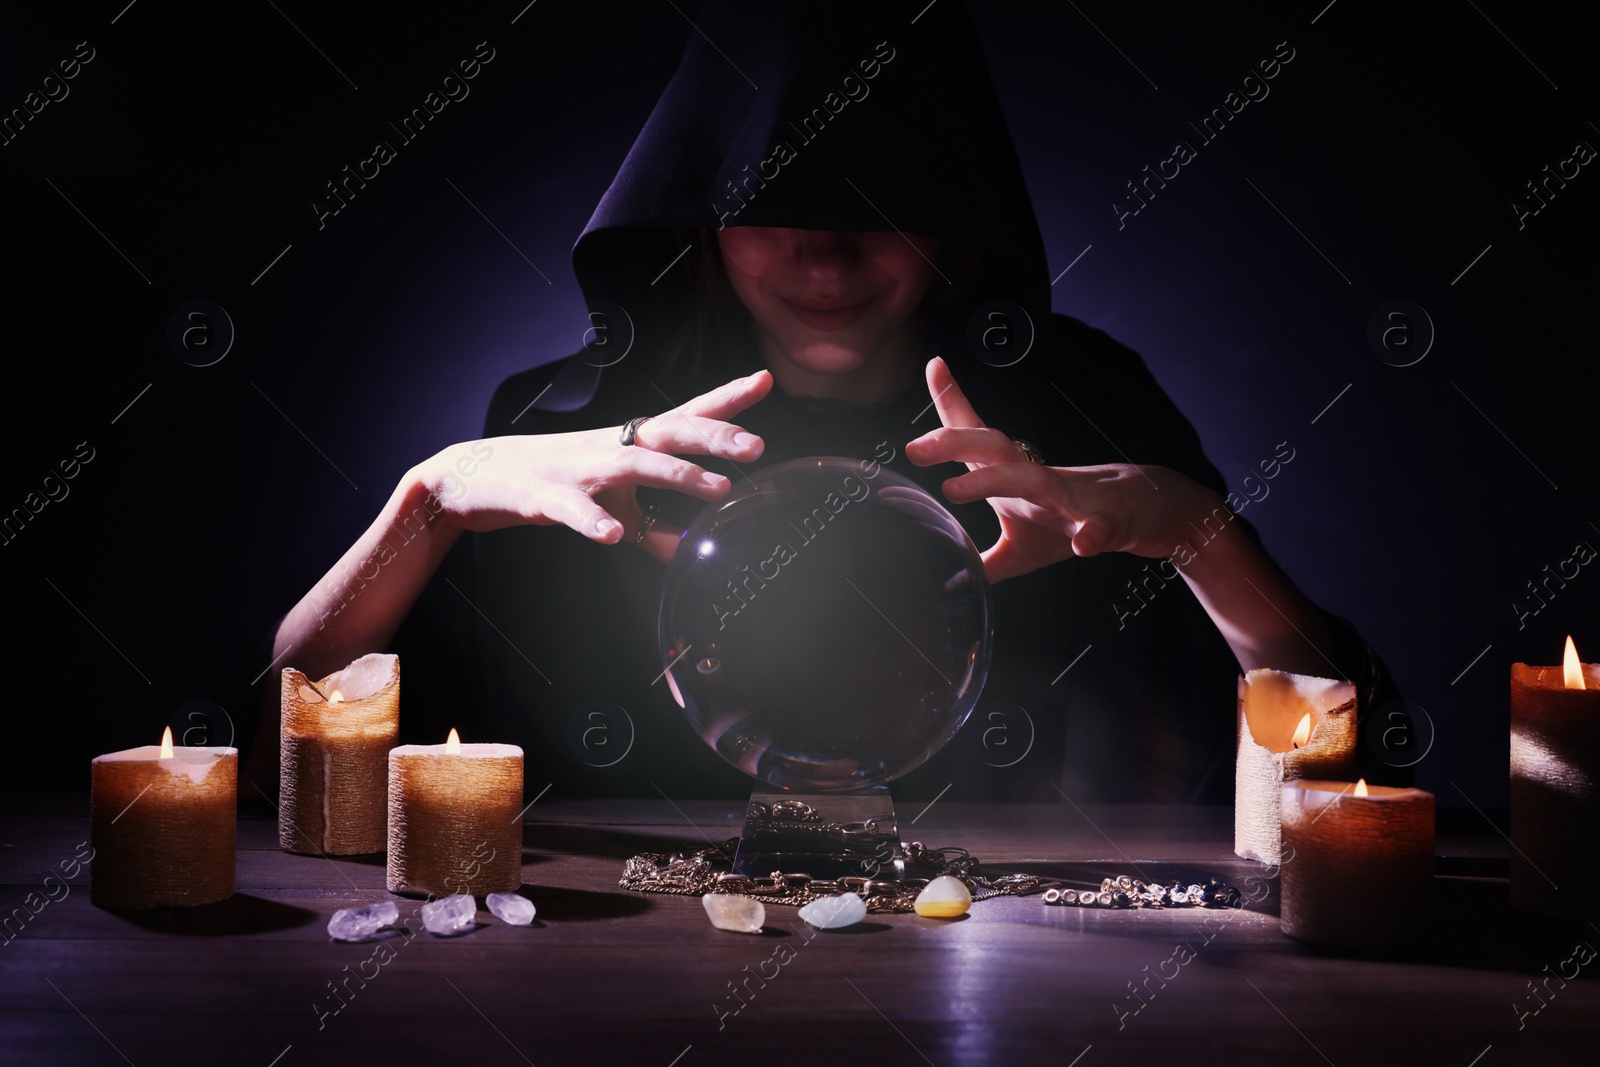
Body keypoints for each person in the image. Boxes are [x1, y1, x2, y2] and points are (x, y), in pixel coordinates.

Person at [248, 1, 1396, 803]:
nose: (824, 261)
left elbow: (1347, 772)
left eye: (875, 209)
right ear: (699, 212)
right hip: (623, 989)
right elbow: (278, 750)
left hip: (1015, 989)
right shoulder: (573, 439)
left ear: (958, 219)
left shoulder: (1079, 409)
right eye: (774, 208)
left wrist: (1190, 525)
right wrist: (433, 494)